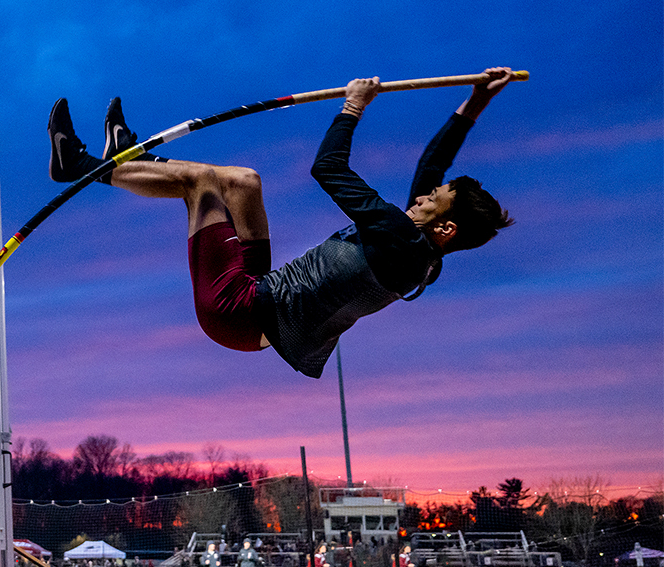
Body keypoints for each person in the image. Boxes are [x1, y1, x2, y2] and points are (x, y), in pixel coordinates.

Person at [47, 68, 514, 378]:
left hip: (237, 312)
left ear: (446, 228)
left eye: (435, 199)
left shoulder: (396, 235)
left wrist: (353, 106)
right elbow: (432, 166)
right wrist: (475, 103)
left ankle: (79, 165)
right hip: (263, 296)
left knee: (201, 181)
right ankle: (138, 162)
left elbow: (327, 167)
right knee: (245, 183)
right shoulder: (421, 254)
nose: (425, 193)